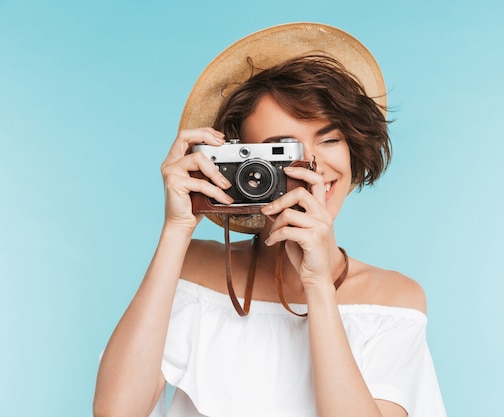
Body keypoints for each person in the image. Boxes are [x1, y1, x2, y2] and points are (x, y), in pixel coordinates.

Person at [93, 22, 446, 417]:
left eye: (329, 140)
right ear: (242, 166)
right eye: (281, 150)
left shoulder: (394, 299)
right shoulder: (193, 270)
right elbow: (115, 412)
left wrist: (317, 285)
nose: (309, 165)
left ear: (354, 148)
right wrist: (177, 229)